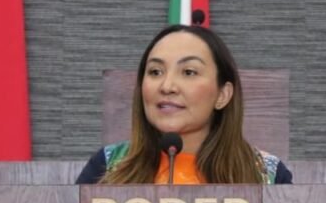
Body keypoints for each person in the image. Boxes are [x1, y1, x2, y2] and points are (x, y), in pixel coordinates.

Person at [76, 24, 292, 185]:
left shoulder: (266, 175)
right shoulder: (109, 166)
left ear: (222, 95)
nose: (167, 86)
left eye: (189, 72)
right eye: (155, 72)